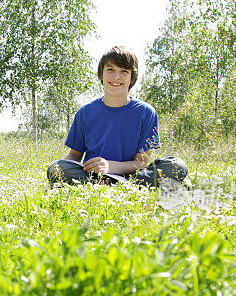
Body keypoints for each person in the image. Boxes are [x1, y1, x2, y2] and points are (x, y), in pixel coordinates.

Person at [46, 46, 188, 189]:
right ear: (100, 74)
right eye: (110, 70)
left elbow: (141, 163)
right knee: (55, 167)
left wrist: (109, 166)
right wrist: (60, 172)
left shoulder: (146, 113)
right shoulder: (85, 113)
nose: (116, 77)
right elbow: (74, 156)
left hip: (133, 176)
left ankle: (112, 187)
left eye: (124, 71)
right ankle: (118, 188)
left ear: (132, 78)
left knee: (176, 166)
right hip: (92, 176)